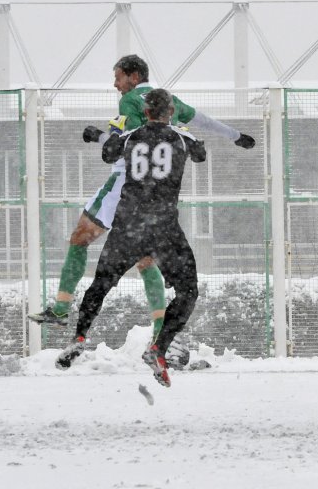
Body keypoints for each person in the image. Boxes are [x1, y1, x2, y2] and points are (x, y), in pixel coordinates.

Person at [29, 54, 255, 358]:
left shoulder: (131, 101)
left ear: (134, 77)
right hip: (158, 199)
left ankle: (62, 309)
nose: (115, 84)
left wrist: (97, 135)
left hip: (127, 186)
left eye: (119, 77)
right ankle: (163, 337)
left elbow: (124, 144)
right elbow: (202, 121)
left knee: (81, 238)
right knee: (148, 259)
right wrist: (236, 136)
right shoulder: (170, 102)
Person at [53, 88, 205, 387]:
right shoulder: (181, 137)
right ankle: (159, 348)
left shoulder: (131, 136)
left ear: (146, 112)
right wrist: (187, 137)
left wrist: (103, 135)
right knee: (188, 292)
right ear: (169, 112)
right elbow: (200, 155)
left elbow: (108, 151)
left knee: (101, 285)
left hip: (128, 227)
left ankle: (79, 336)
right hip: (163, 229)